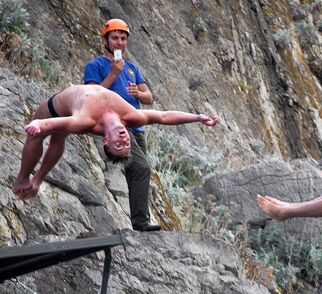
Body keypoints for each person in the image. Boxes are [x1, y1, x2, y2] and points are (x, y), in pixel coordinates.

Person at [11, 84, 219, 207]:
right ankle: (28, 180)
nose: (124, 139)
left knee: (51, 136)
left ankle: (30, 180)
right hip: (71, 105)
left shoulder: (86, 121)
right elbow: (164, 116)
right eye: (126, 143)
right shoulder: (132, 117)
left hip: (54, 109)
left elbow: (47, 124)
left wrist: (37, 125)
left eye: (118, 144)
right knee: (57, 137)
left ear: (105, 140)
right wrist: (197, 117)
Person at [84, 18, 157, 231]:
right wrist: (113, 73)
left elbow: (149, 97)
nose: (119, 42)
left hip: (137, 125)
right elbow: (91, 95)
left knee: (136, 173)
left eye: (123, 38)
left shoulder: (132, 68)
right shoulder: (95, 65)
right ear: (105, 40)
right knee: (142, 168)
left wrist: (139, 93)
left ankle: (140, 221)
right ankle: (141, 223)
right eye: (115, 38)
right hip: (117, 124)